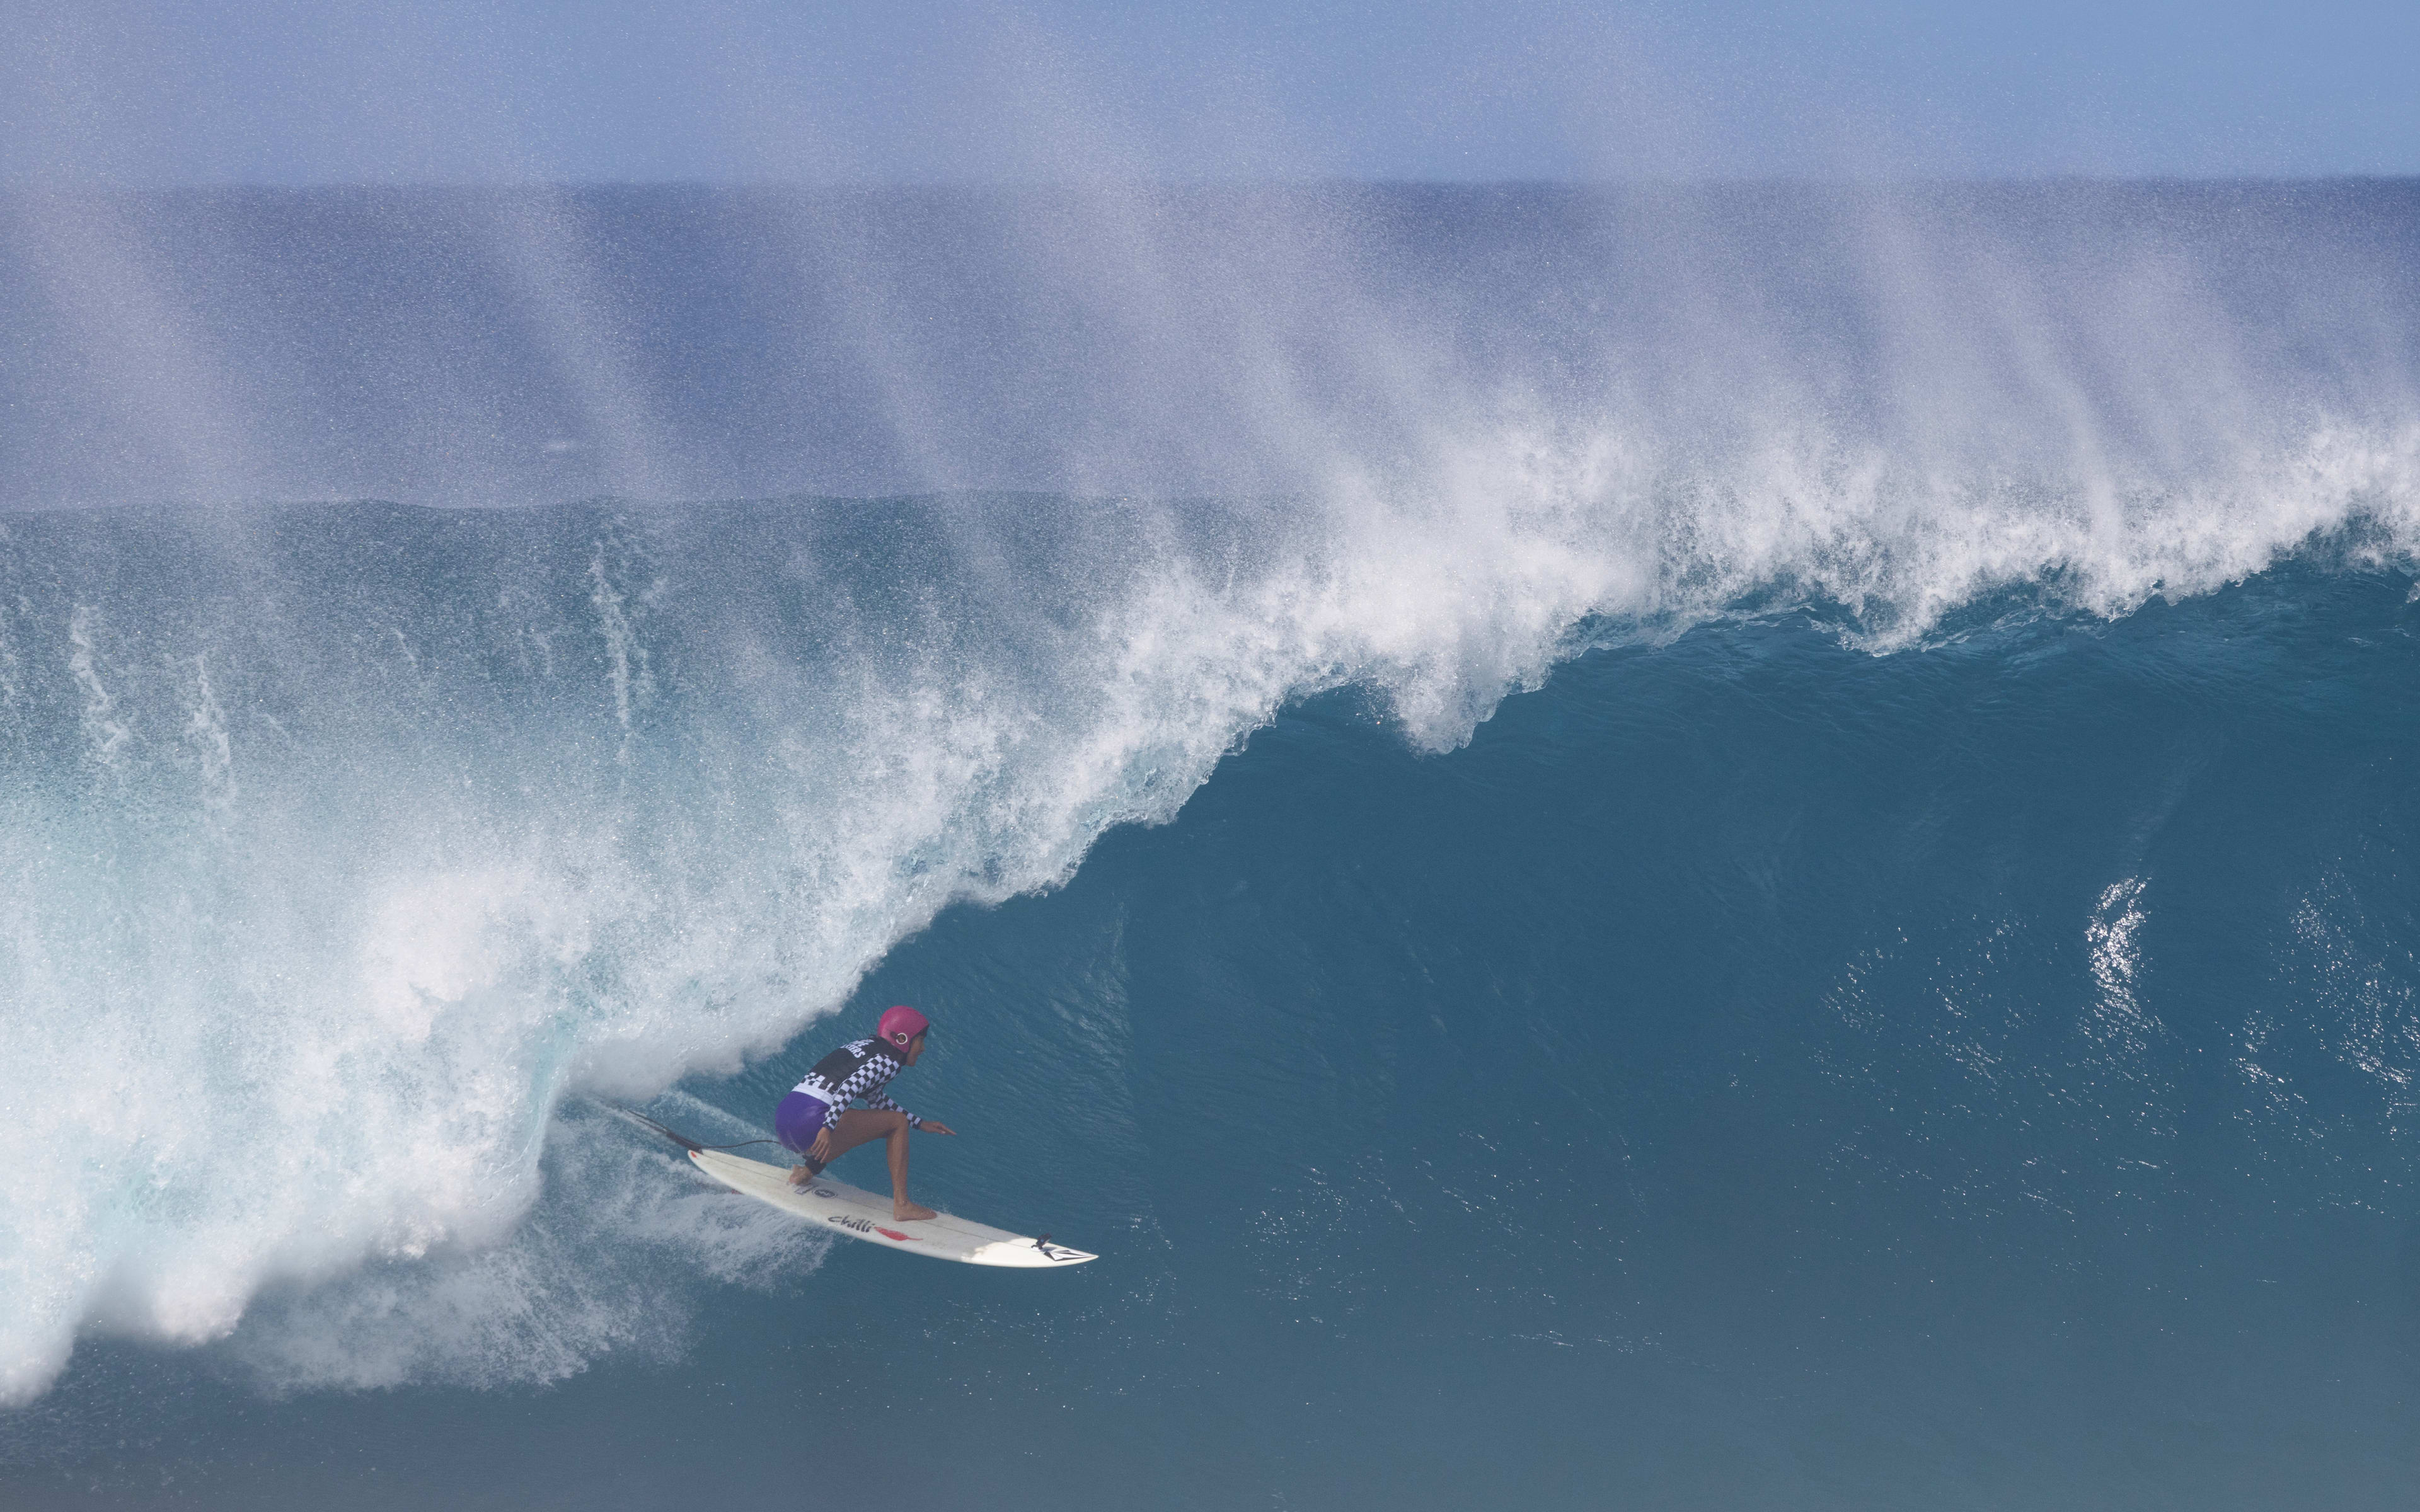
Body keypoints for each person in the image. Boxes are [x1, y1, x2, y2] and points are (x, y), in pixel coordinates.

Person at [774, 1005, 957, 1219]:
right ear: (903, 1040)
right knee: (895, 1123)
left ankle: (804, 1173)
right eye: (921, 1040)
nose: (923, 1048)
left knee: (860, 1121)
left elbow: (875, 1100)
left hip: (785, 1119)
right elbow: (848, 1087)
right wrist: (827, 1128)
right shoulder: (888, 1061)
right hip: (812, 1125)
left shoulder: (865, 1046)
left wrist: (919, 1123)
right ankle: (903, 1205)